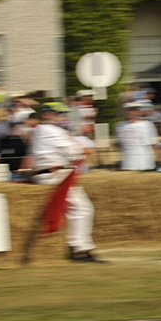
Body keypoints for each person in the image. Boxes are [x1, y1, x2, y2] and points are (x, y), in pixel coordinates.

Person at [30, 102, 102, 262]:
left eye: (61, 114)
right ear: (47, 114)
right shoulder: (50, 130)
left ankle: (79, 247)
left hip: (52, 173)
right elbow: (73, 152)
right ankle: (79, 248)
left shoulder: (42, 130)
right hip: (53, 174)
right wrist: (84, 149)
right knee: (83, 209)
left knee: (80, 209)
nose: (61, 117)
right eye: (57, 114)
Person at [115, 102, 159, 171]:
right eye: (127, 110)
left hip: (144, 165)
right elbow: (118, 144)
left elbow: (154, 144)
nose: (129, 112)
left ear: (139, 112)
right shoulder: (119, 125)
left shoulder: (147, 125)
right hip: (127, 165)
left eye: (132, 110)